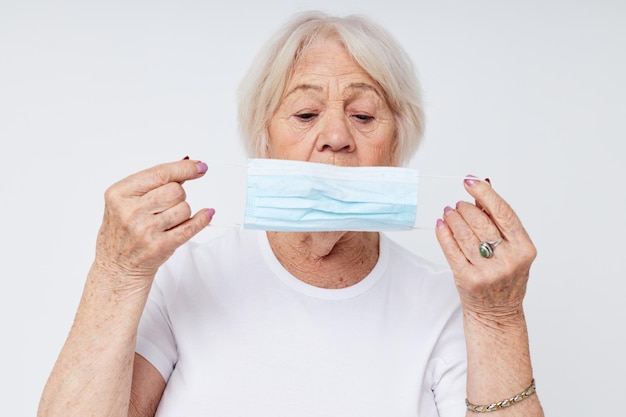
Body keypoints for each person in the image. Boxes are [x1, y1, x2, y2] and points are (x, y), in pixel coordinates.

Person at [38, 11, 544, 417]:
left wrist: (499, 319)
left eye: (364, 116)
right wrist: (115, 272)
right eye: (304, 115)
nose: (337, 137)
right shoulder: (186, 277)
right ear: (264, 138)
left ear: (397, 144)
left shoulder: (448, 304)